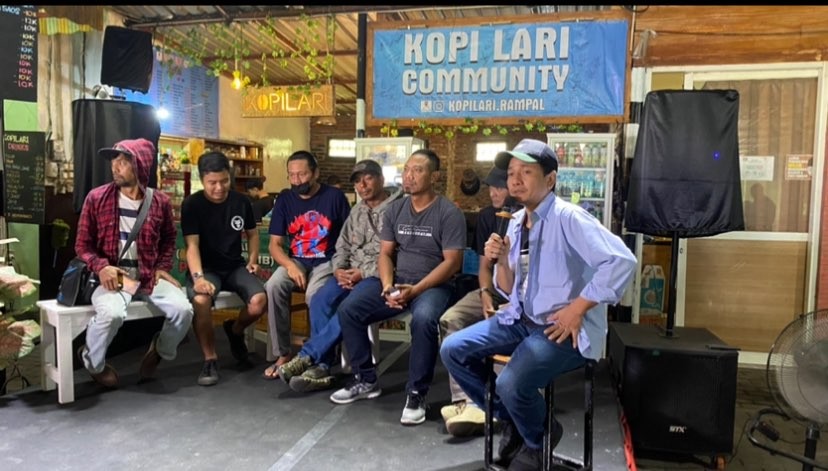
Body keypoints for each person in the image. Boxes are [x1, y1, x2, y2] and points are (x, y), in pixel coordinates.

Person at [440, 139, 636, 470]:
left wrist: (578, 309)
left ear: (550, 179)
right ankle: (519, 422)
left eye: (526, 172)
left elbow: (621, 261)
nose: (514, 179)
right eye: (512, 172)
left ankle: (536, 438)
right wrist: (501, 260)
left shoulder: (569, 218)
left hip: (563, 329)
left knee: (511, 382)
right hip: (522, 318)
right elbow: (505, 287)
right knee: (453, 349)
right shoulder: (516, 222)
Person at [329, 149, 467, 427]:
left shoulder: (449, 213)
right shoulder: (396, 209)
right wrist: (388, 285)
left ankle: (416, 393)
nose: (409, 176)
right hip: (396, 280)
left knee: (424, 320)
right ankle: (365, 379)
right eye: (407, 170)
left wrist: (414, 291)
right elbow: (385, 254)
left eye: (418, 170)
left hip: (432, 285)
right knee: (349, 309)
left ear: (434, 176)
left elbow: (452, 264)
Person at [276, 159, 404, 392]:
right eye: (357, 181)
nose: (362, 185)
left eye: (368, 178)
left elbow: (397, 255)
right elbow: (341, 245)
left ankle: (308, 357)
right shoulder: (357, 210)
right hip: (348, 273)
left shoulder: (399, 209)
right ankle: (322, 367)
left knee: (348, 309)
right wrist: (338, 269)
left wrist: (361, 273)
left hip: (377, 277)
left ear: (381, 179)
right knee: (320, 300)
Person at [75, 138, 193, 388]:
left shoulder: (159, 201)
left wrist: (162, 266)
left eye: (123, 162)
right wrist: (101, 266)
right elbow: (82, 246)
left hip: (147, 275)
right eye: (114, 161)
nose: (115, 167)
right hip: (114, 276)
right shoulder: (97, 198)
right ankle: (92, 362)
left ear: (140, 165)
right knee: (112, 313)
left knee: (183, 310)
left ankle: (160, 350)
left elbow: (170, 237)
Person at [439, 166, 518, 437]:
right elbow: (485, 265)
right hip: (493, 288)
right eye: (491, 188)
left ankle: (491, 404)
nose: (493, 193)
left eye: (499, 188)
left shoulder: (529, 217)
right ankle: (463, 399)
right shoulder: (488, 216)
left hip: (521, 295)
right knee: (451, 319)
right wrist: (485, 292)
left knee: (500, 326)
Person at [180, 151, 268, 387]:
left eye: (224, 181)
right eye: (212, 183)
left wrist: (252, 259)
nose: (219, 187)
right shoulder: (192, 204)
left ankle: (235, 329)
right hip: (206, 268)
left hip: (234, 267)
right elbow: (192, 246)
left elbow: (252, 234)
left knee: (259, 300)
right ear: (202, 180)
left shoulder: (241, 202)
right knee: (200, 300)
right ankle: (210, 359)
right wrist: (198, 278)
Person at [262, 150, 351, 379]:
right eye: (291, 175)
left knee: (314, 295)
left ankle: (319, 357)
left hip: (327, 261)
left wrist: (341, 265)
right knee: (274, 286)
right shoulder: (284, 199)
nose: (296, 180)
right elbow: (274, 245)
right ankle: (282, 353)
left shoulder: (334, 197)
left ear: (315, 173)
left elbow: (347, 239)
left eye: (302, 175)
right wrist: (290, 266)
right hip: (296, 260)